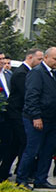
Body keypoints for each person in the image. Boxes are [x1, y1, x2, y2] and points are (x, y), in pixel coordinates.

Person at [17, 47, 56, 190]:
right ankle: (22, 179)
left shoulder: (55, 74)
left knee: (48, 151)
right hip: (37, 119)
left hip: (51, 119)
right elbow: (31, 96)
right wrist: (36, 116)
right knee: (32, 150)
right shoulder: (36, 73)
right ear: (46, 58)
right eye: (55, 59)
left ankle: (41, 179)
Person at [3, 48, 42, 181]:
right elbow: (26, 94)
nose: (41, 62)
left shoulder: (27, 72)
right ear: (30, 57)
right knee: (23, 143)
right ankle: (22, 172)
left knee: (16, 144)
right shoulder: (21, 73)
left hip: (21, 113)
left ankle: (7, 171)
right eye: (39, 59)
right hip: (16, 113)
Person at [0, 52, 16, 181]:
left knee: (8, 143)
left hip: (8, 116)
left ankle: (3, 171)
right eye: (0, 59)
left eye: (3, 58)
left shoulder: (8, 74)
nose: (2, 61)